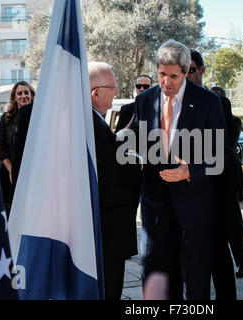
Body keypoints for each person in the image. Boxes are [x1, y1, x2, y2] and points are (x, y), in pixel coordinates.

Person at [133, 40, 230, 300]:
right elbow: (137, 142)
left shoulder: (209, 102)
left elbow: (221, 156)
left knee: (194, 284)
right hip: (154, 209)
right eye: (161, 74)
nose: (166, 82)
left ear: (187, 72)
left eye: (173, 76)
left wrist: (190, 172)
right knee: (155, 278)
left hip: (194, 209)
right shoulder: (144, 101)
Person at [188, 50, 243, 300]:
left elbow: (222, 144)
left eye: (191, 69)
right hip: (193, 184)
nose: (187, 75)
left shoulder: (216, 101)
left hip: (220, 180)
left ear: (202, 70)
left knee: (226, 232)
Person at [88, 61, 142, 300]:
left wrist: (118, 141)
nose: (117, 91)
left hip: (105, 227)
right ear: (95, 92)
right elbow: (110, 175)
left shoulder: (94, 120)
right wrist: (136, 163)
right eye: (113, 86)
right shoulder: (91, 123)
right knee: (110, 286)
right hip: (107, 228)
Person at [0, 81, 35, 216]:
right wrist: (13, 170)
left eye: (26, 92)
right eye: (19, 93)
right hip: (11, 173)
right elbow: (0, 147)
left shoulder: (40, 117)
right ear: (14, 97)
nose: (23, 96)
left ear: (32, 95)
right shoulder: (6, 118)